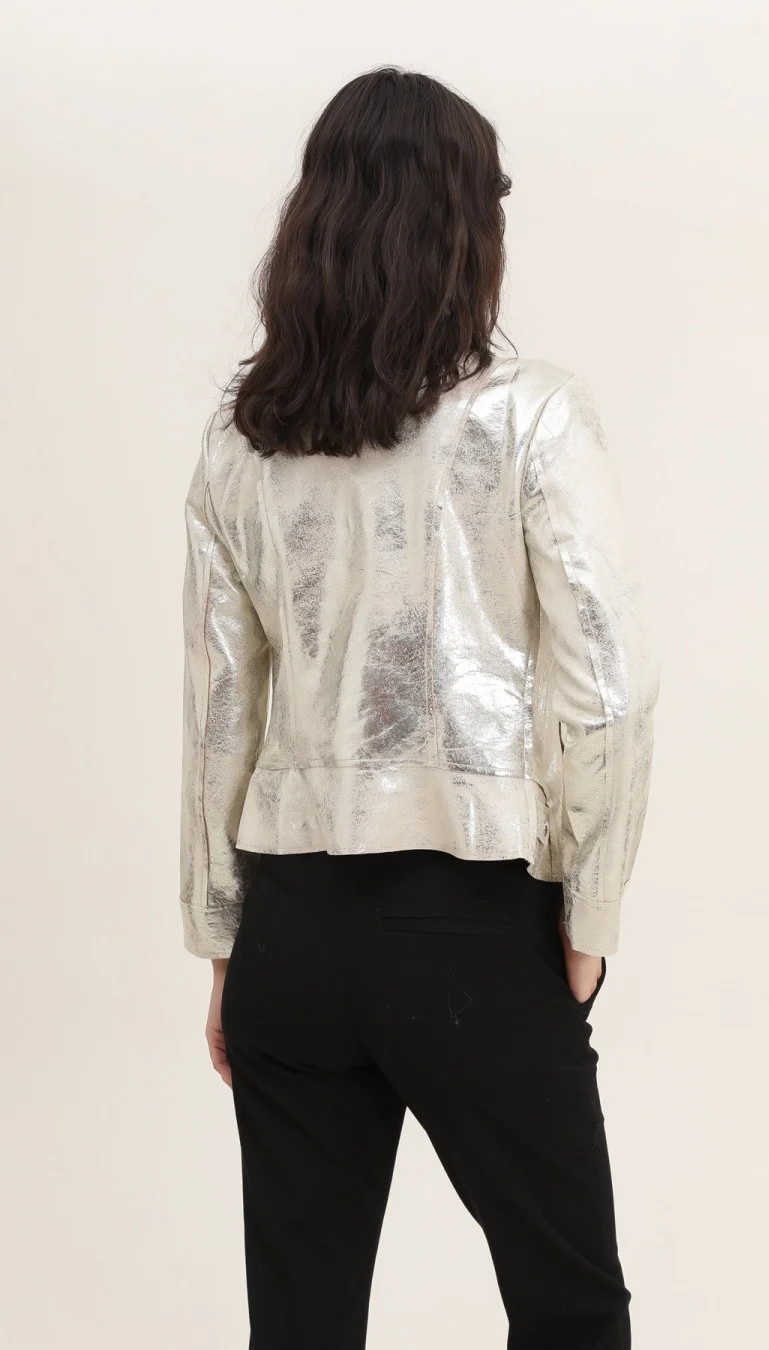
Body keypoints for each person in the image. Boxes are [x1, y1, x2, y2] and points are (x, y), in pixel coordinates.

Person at [180, 65, 660, 1350]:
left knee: (300, 1324)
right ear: (469, 225)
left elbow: (221, 707)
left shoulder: (242, 438)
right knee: (570, 1309)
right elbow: (608, 685)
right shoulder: (532, 417)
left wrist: (227, 939)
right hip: (473, 924)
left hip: (291, 933)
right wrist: (592, 910)